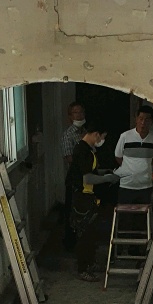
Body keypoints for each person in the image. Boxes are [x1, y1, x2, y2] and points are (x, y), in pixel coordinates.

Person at [67, 122, 116, 281]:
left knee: (92, 232)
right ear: (96, 134)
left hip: (89, 196)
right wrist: (107, 178)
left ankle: (91, 262)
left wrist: (106, 172)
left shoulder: (88, 150)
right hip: (82, 198)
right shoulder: (82, 150)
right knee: (84, 234)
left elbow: (91, 171)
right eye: (102, 137)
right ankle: (83, 268)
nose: (102, 140)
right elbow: (87, 178)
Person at [113, 104, 153, 205]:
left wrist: (142, 166)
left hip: (145, 186)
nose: (143, 123)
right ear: (136, 119)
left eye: (147, 120)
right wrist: (129, 168)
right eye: (141, 118)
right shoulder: (125, 136)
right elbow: (118, 156)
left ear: (152, 121)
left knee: (143, 213)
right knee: (125, 213)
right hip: (127, 185)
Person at [61, 101, 86, 249]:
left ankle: (84, 240)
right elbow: (69, 158)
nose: (79, 115)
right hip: (74, 178)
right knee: (72, 211)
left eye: (81, 112)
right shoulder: (68, 134)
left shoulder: (86, 132)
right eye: (76, 112)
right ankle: (70, 242)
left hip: (87, 178)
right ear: (70, 116)